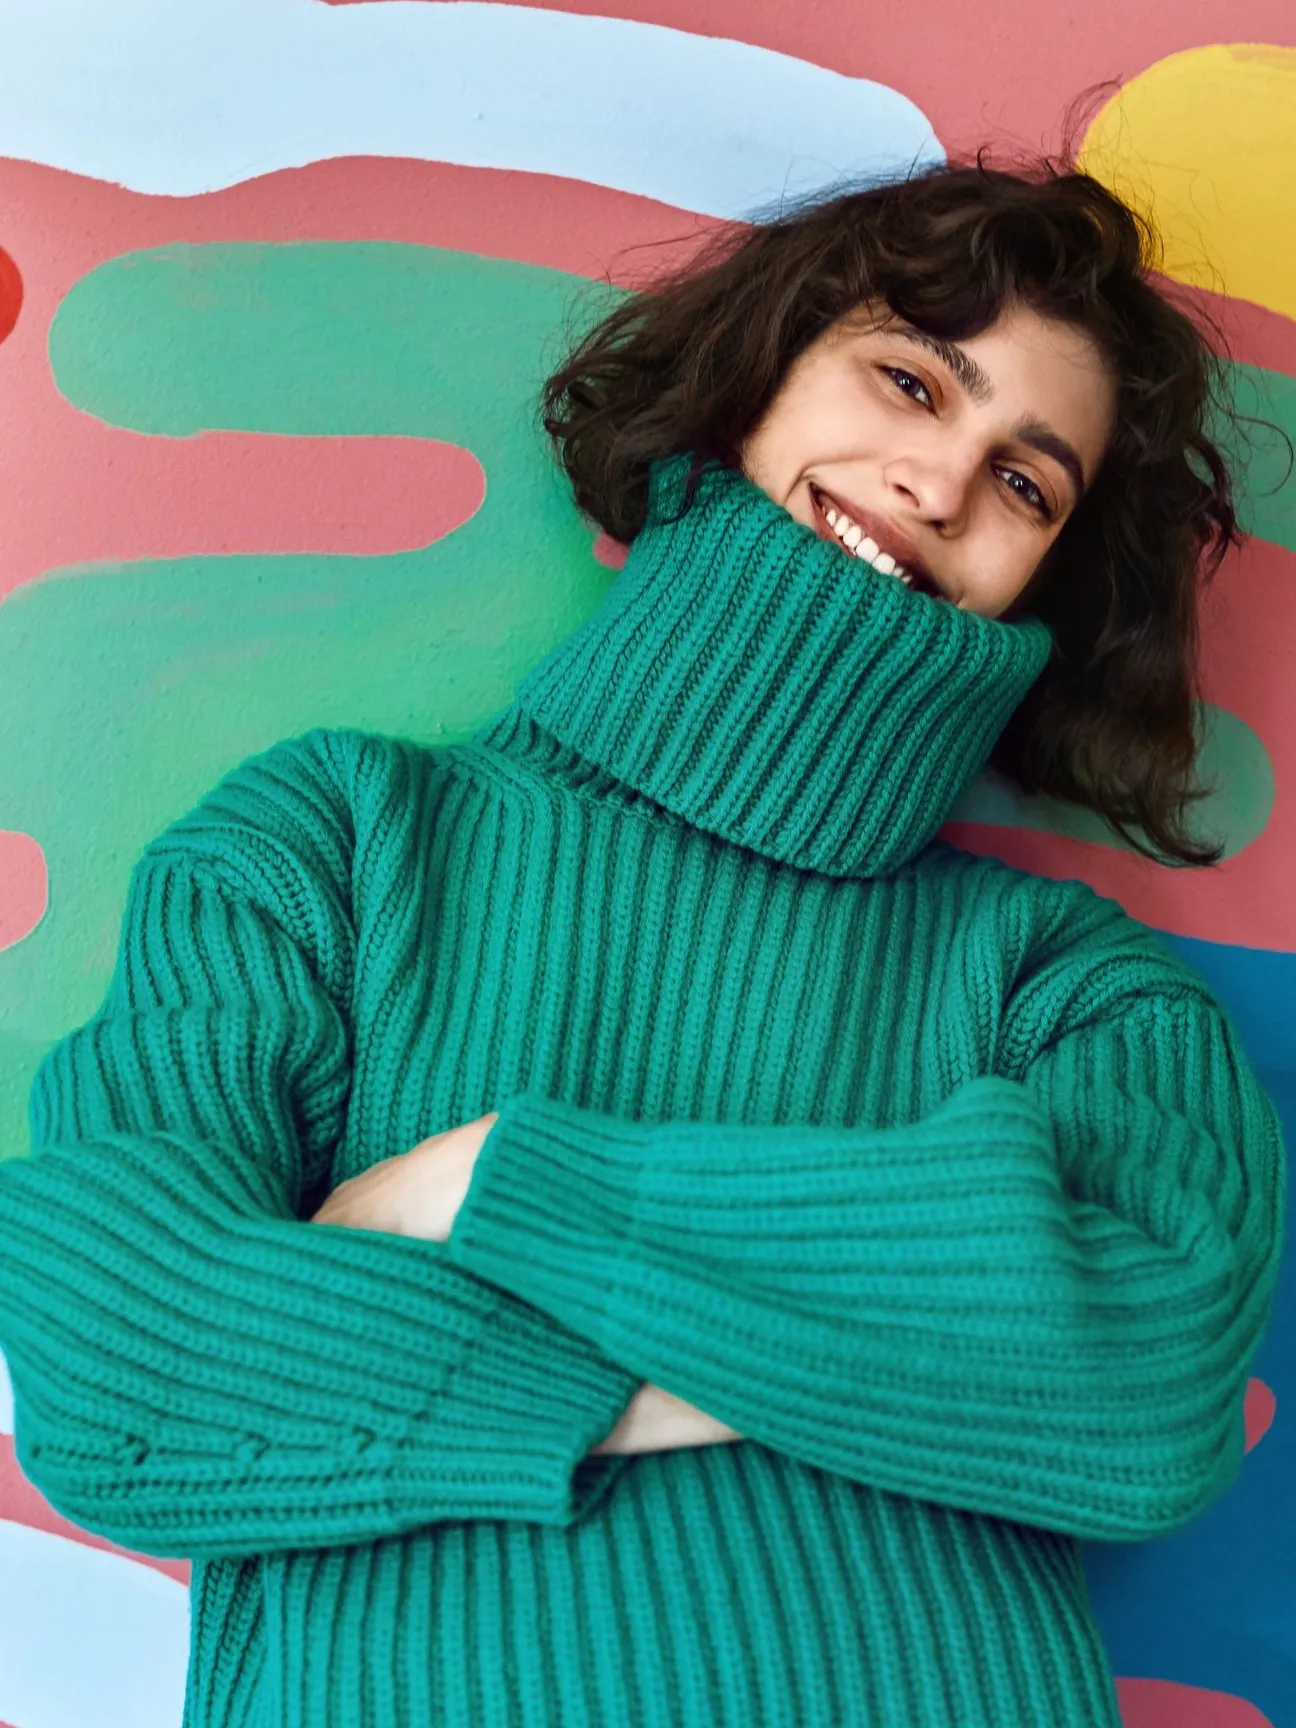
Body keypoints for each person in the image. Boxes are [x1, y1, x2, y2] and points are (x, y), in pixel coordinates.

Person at [0, 138, 1287, 1728]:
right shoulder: (332, 841)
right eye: (908, 382)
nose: (941, 483)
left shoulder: (1064, 983)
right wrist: (875, 1340)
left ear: (1047, 574)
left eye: (1028, 481)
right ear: (758, 380)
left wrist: (501, 1184)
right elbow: (128, 1376)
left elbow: (1152, 1381)